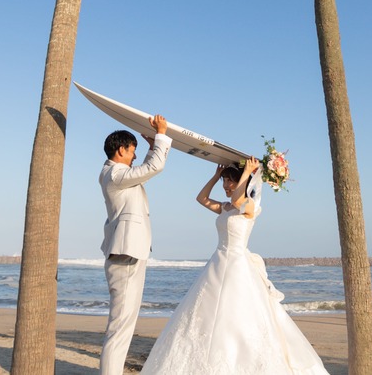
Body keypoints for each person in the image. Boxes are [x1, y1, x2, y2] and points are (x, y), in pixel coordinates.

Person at [140, 158, 330, 375]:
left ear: (243, 182)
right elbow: (201, 198)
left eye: (230, 181)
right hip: (217, 262)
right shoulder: (225, 207)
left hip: (238, 265)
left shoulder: (250, 205)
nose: (226, 186)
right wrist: (215, 176)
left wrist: (248, 171)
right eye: (225, 182)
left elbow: (240, 198)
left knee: (238, 313)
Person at [99, 114, 172, 375]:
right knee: (119, 329)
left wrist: (153, 148)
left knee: (122, 327)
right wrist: (162, 135)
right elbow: (152, 169)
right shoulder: (115, 174)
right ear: (121, 150)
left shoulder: (116, 173)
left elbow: (141, 172)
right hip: (126, 255)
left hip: (128, 253)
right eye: (132, 151)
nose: (134, 156)